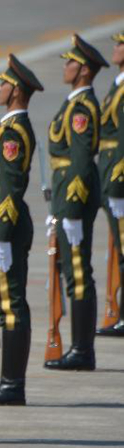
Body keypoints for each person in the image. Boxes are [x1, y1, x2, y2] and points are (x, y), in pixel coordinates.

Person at [0, 55, 44, 406]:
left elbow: (11, 184)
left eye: (3, 83)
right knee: (6, 302)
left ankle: (12, 384)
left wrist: (0, 231)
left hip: (4, 224)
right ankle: (9, 382)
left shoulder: (14, 131)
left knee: (10, 304)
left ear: (15, 90)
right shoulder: (6, 127)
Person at [44, 35, 108, 370]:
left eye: (70, 62)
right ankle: (80, 347)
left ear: (83, 70)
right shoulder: (74, 104)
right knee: (73, 270)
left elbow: (82, 161)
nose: (65, 67)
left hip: (76, 200)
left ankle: (83, 350)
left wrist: (69, 209)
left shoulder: (81, 108)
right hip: (69, 197)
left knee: (79, 272)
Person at [96, 31, 124, 337]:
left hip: (119, 178)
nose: (116, 49)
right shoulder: (116, 87)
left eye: (120, 44)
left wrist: (117, 178)